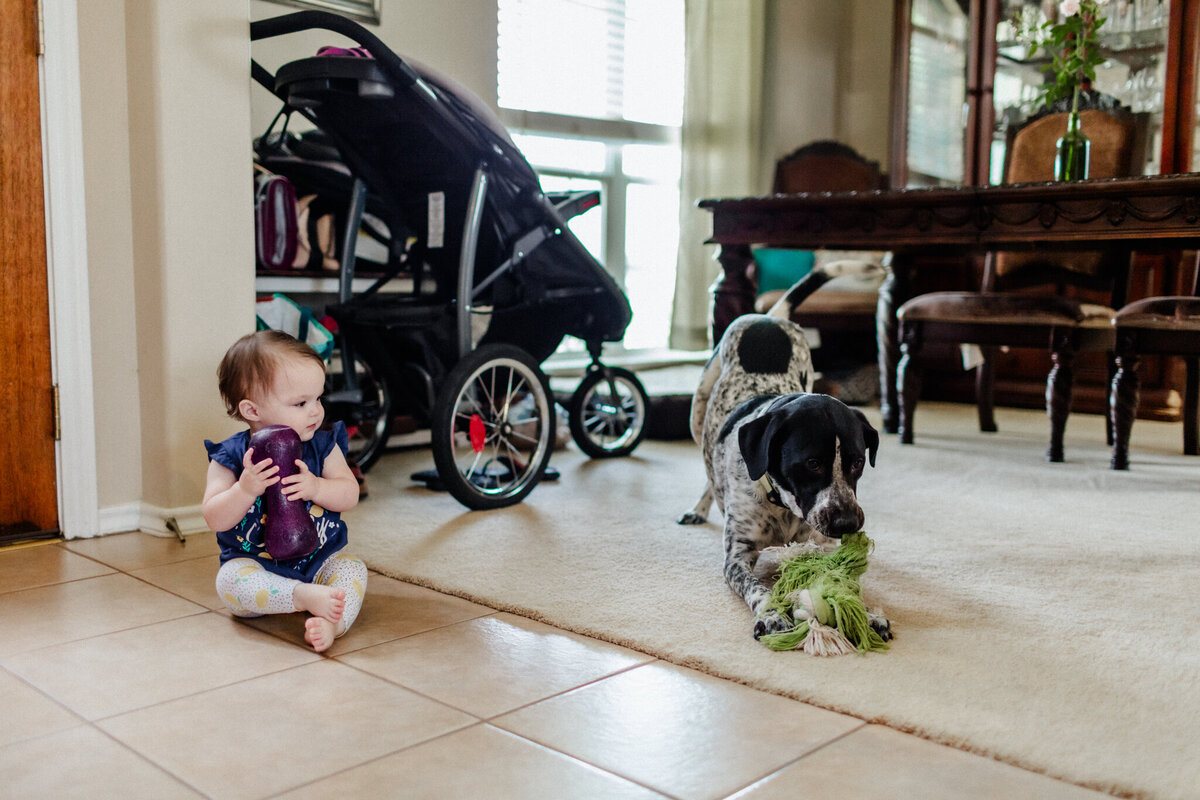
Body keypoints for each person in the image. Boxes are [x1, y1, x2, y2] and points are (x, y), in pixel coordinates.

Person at [202, 330, 366, 652]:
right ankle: (297, 596)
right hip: (257, 566)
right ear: (252, 411)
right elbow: (213, 517)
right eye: (301, 403)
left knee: (353, 568)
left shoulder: (323, 445)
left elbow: (350, 493)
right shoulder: (232, 457)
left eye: (319, 398)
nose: (315, 411)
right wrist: (244, 489)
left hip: (318, 561)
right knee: (229, 582)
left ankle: (333, 623)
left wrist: (317, 487)